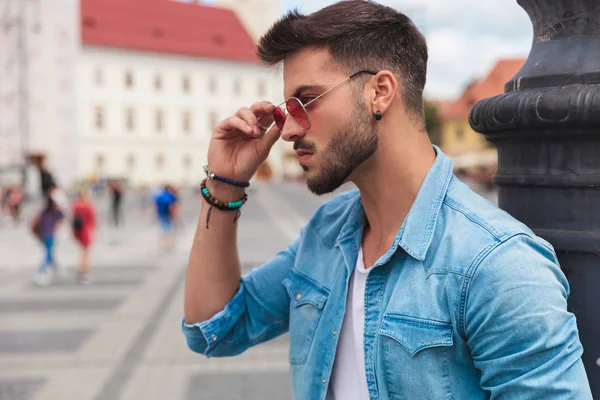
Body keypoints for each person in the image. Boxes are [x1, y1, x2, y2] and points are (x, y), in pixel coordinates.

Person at [182, 2, 592, 399]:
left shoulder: (495, 264)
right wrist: (225, 183)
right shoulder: (327, 234)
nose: (287, 129)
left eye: (304, 101)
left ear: (380, 92)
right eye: (285, 108)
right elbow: (216, 328)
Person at [32, 196, 64, 286]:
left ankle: (55, 267)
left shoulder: (43, 212)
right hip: (50, 234)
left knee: (48, 252)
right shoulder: (54, 212)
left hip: (43, 234)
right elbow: (62, 216)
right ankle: (42, 271)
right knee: (48, 253)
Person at [72, 188, 96, 284]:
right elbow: (92, 221)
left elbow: (73, 220)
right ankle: (84, 272)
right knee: (86, 254)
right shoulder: (88, 206)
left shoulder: (76, 205)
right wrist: (93, 233)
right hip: (86, 231)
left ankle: (81, 271)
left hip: (78, 231)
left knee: (81, 252)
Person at [154, 184, 179, 252]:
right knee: (170, 230)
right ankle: (169, 245)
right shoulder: (171, 196)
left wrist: (157, 214)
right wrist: (175, 215)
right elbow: (172, 206)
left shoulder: (159, 196)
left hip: (161, 215)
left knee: (162, 230)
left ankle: (162, 244)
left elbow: (156, 206)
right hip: (169, 215)